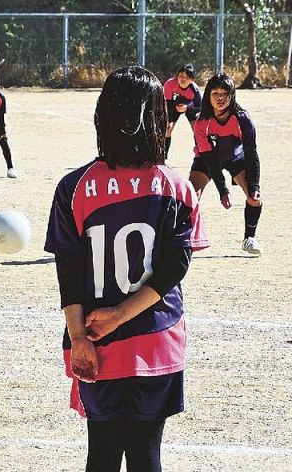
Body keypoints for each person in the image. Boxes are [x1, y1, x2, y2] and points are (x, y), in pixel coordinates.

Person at [44, 65, 208, 471]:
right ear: (159, 119)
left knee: (100, 454)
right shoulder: (177, 187)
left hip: (96, 342)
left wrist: (81, 336)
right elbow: (176, 265)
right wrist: (123, 315)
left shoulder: (74, 186)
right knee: (146, 454)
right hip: (157, 340)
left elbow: (69, 270)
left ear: (104, 116)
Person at [190, 73, 263, 255]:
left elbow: (251, 153)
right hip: (207, 161)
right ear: (208, 95)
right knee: (190, 197)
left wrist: (254, 186)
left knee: (255, 199)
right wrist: (222, 190)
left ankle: (249, 238)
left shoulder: (243, 118)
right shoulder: (201, 123)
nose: (220, 98)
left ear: (232, 95)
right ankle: (184, 238)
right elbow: (209, 158)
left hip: (236, 159)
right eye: (215, 93)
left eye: (225, 93)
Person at [162, 64, 201, 157]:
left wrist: (187, 107)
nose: (182, 79)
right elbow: (167, 103)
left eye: (186, 77)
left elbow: (200, 107)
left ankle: (200, 154)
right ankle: (163, 156)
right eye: (180, 76)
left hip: (189, 107)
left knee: (197, 128)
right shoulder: (170, 84)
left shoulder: (194, 89)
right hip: (173, 106)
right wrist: (170, 121)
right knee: (167, 128)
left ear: (192, 80)